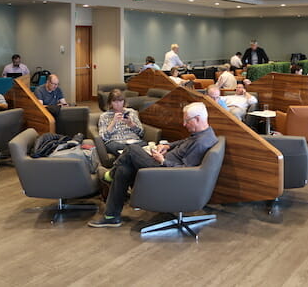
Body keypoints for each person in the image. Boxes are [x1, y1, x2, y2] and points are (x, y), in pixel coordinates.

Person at [89, 102, 218, 228]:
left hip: (166, 173)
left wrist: (163, 160)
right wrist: (167, 146)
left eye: (187, 121)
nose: (184, 124)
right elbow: (184, 141)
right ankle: (111, 217)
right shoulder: (202, 134)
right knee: (123, 170)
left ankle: (109, 174)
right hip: (163, 168)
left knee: (132, 149)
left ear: (197, 119)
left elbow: (186, 170)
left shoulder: (201, 143)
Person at [97, 89, 144, 155]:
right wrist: (113, 122)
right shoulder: (104, 116)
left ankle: (129, 153)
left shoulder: (132, 112)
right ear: (110, 103)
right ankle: (131, 153)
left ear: (124, 102)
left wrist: (131, 124)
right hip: (117, 143)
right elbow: (104, 137)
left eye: (120, 101)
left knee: (144, 144)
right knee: (112, 146)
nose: (118, 104)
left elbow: (141, 133)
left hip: (133, 141)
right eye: (115, 101)